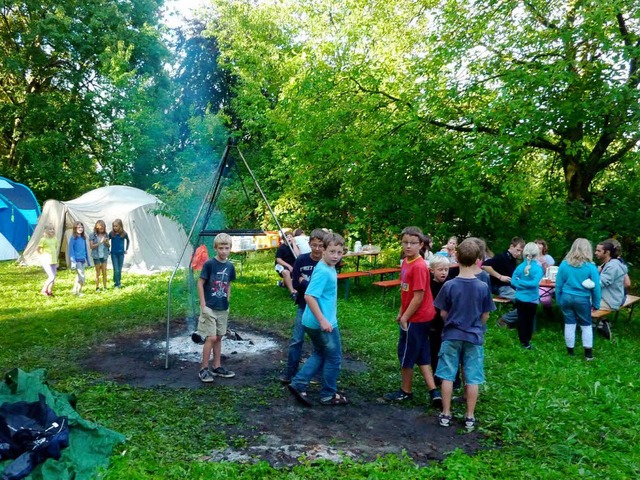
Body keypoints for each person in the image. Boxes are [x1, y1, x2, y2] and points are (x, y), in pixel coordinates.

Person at [434, 238, 496, 431]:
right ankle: (470, 415)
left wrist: (451, 323)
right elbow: (486, 314)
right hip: (474, 337)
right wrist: (477, 325)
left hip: (451, 335)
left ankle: (446, 413)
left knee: (447, 375)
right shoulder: (483, 287)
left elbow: (443, 312)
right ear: (479, 258)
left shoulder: (449, 285)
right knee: (472, 377)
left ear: (456, 257)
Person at [383, 226, 442, 407]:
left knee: (406, 354)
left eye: (413, 243)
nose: (408, 246)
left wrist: (405, 317)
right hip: (413, 315)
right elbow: (406, 292)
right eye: (405, 242)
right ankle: (434, 392)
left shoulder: (418, 266)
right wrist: (401, 311)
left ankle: (405, 391)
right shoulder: (406, 262)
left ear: (421, 245)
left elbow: (418, 297)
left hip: (418, 318)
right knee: (422, 353)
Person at [288, 232, 347, 406]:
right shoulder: (323, 271)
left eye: (339, 252)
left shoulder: (328, 266)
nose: (335, 256)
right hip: (321, 323)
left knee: (321, 353)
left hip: (313, 321)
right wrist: (322, 320)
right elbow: (309, 296)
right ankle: (328, 394)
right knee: (334, 357)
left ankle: (299, 383)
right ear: (324, 251)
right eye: (332, 252)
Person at [279, 228, 326, 384]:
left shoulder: (325, 262)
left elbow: (324, 287)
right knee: (296, 340)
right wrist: (307, 285)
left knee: (317, 342)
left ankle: (317, 374)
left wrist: (304, 283)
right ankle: (290, 372)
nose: (317, 249)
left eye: (320, 245)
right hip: (303, 305)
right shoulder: (302, 260)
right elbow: (294, 283)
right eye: (314, 245)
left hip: (319, 308)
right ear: (309, 244)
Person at [192, 233, 237, 382]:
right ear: (215, 248)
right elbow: (200, 283)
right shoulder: (210, 264)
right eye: (221, 248)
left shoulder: (230, 266)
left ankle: (217, 367)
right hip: (209, 307)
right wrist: (203, 304)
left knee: (219, 337)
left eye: (227, 248)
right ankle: (203, 369)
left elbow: (228, 284)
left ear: (230, 248)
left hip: (222, 307)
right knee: (210, 337)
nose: (224, 251)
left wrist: (227, 301)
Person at [555, 238, 601, 360]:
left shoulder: (564, 264)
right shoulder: (591, 267)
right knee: (586, 325)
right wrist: (596, 303)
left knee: (569, 324)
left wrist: (559, 299)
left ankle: (570, 352)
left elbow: (558, 284)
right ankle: (588, 355)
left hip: (566, 297)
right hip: (582, 299)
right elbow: (596, 287)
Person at [482, 237, 525, 328]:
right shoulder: (501, 257)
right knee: (524, 303)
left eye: (521, 251)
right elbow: (485, 265)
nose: (519, 253)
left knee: (527, 300)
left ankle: (514, 321)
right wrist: (500, 277)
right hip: (500, 287)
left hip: (510, 286)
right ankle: (503, 320)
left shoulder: (513, 259)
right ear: (511, 246)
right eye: (517, 250)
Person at [511, 242, 544, 349]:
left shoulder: (520, 267)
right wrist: (525, 284)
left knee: (521, 319)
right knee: (529, 320)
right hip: (532, 298)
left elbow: (513, 281)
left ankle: (522, 340)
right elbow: (534, 283)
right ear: (537, 254)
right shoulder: (538, 269)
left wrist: (520, 282)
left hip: (520, 297)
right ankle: (527, 341)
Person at [594, 240, 628, 340]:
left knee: (579, 303)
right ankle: (597, 323)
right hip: (609, 298)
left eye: (598, 251)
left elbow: (600, 283)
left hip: (609, 301)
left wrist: (591, 276)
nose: (595, 253)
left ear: (607, 252)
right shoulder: (609, 264)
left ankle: (601, 324)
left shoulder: (612, 266)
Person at [428, 255, 450, 375]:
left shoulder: (450, 284)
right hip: (433, 323)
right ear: (432, 270)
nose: (444, 273)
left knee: (449, 350)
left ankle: (453, 377)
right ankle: (436, 374)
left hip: (447, 323)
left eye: (446, 270)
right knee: (434, 349)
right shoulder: (428, 285)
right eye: (440, 269)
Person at [275, 230, 300, 300]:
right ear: (284, 239)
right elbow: (278, 260)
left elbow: (297, 255)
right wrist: (288, 266)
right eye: (287, 237)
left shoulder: (294, 246)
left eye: (291, 237)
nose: (289, 238)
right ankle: (293, 292)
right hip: (281, 265)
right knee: (286, 272)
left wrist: (294, 244)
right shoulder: (281, 248)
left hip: (293, 265)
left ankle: (283, 283)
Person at [68, 222, 90, 296]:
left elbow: (85, 249)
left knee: (78, 276)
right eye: (78, 227)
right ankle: (79, 291)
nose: (80, 229)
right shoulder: (73, 238)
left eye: (81, 227)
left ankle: (74, 290)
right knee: (82, 276)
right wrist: (73, 261)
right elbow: (71, 250)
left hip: (83, 259)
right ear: (75, 228)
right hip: (76, 260)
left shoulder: (83, 238)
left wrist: (88, 260)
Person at [36, 223, 59, 296]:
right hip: (46, 261)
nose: (52, 230)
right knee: (51, 276)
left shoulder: (55, 239)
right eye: (50, 229)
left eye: (53, 229)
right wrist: (42, 256)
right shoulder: (43, 239)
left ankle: (49, 291)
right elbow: (38, 249)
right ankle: (43, 290)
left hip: (53, 261)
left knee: (53, 277)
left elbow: (55, 248)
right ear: (46, 231)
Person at [89, 220, 110, 292]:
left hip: (104, 255)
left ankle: (105, 287)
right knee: (98, 272)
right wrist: (100, 242)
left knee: (104, 271)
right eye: (101, 228)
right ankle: (97, 287)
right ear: (97, 227)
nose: (102, 229)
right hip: (96, 256)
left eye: (103, 228)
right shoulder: (92, 235)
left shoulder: (106, 235)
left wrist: (106, 242)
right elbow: (91, 246)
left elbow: (108, 246)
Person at [108, 219, 130, 289]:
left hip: (121, 254)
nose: (115, 228)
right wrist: (108, 249)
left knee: (119, 269)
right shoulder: (111, 233)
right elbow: (106, 241)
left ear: (120, 226)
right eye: (114, 226)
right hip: (114, 254)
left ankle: (118, 281)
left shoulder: (124, 234)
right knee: (116, 269)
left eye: (116, 226)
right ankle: (116, 283)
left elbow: (128, 240)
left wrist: (126, 249)